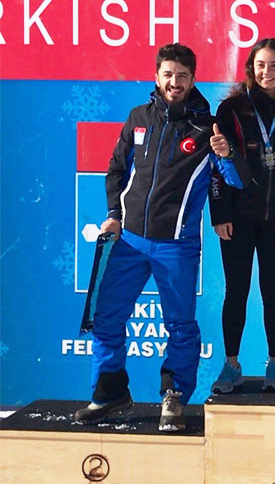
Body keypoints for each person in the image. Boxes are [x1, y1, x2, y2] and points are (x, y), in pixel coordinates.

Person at [74, 43, 243, 431]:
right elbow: (116, 171)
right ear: (157, 77)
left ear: (193, 79)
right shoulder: (139, 117)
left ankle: (175, 397)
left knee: (180, 325)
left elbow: (233, 181)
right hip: (129, 241)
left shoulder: (208, 127)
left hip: (177, 245)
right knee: (105, 318)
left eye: (182, 76)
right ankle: (110, 392)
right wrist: (114, 216)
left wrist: (227, 153)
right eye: (168, 74)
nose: (175, 82)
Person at [209, 38, 275, 393]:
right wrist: (220, 212)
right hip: (239, 216)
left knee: (274, 290)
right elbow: (218, 167)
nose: (267, 72)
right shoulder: (231, 109)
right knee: (237, 291)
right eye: (261, 65)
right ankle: (231, 364)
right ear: (251, 68)